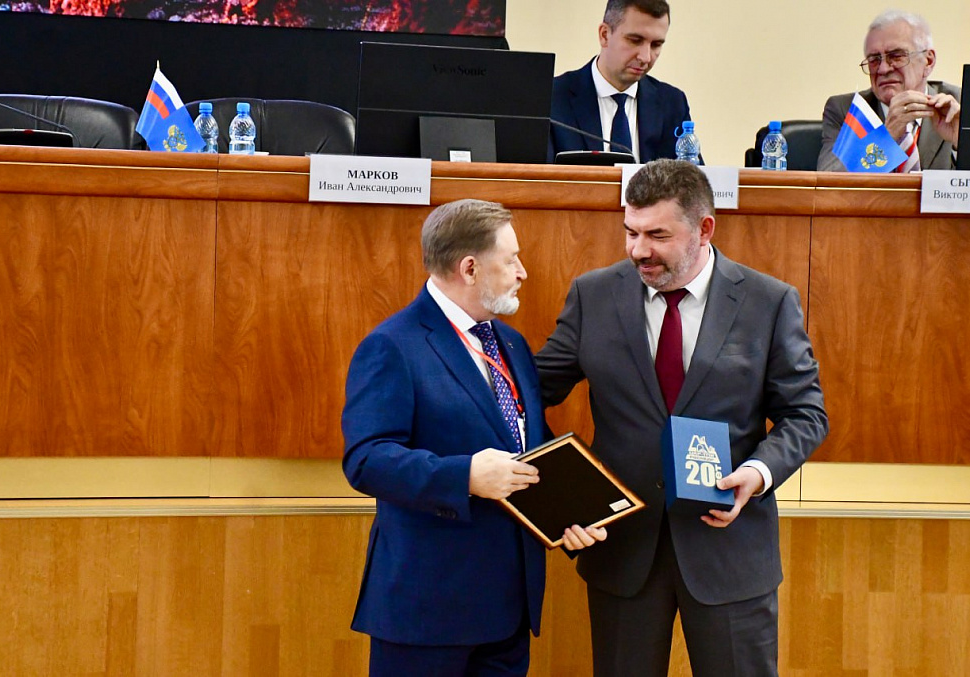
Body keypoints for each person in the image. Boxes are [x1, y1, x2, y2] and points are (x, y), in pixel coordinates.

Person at [535, 160, 828, 676]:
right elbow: (528, 393)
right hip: (623, 550)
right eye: (631, 232)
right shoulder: (593, 295)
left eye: (657, 235)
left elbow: (805, 414)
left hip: (728, 551)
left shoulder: (768, 301)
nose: (638, 250)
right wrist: (563, 492)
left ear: (704, 229)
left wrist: (758, 474)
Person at [342, 199, 605, 677]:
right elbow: (367, 459)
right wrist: (465, 476)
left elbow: (531, 448)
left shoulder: (511, 344)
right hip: (428, 611)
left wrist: (571, 516)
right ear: (469, 268)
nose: (523, 273)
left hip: (507, 610)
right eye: (511, 260)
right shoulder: (392, 345)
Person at [548, 0, 693, 163]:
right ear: (604, 35)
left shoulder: (672, 104)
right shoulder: (551, 98)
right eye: (635, 40)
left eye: (656, 45)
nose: (645, 57)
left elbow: (693, 176)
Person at [818, 9, 960, 171]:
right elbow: (828, 180)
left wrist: (962, 143)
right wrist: (886, 137)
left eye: (896, 56)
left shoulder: (960, 105)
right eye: (874, 60)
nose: (883, 69)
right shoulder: (847, 110)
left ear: (928, 61)